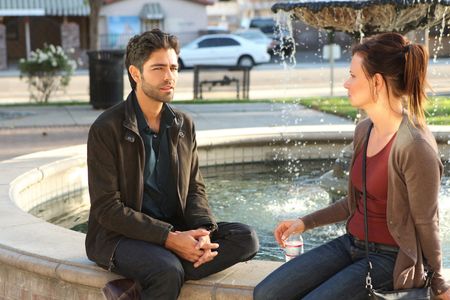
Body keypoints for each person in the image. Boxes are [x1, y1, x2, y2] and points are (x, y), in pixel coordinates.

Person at [253, 32, 450, 300]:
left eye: (354, 76)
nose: (346, 83)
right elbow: (354, 202)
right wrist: (303, 222)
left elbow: (427, 222)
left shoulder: (416, 147)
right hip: (351, 244)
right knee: (266, 293)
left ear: (377, 82)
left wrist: (439, 284)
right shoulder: (365, 130)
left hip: (389, 259)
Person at [85, 29, 259, 299]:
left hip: (173, 228)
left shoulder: (182, 124)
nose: (169, 77)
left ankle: (139, 286)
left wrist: (204, 233)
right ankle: (163, 267)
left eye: (174, 67)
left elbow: (194, 189)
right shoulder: (107, 128)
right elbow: (107, 208)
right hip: (119, 237)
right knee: (166, 270)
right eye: (158, 68)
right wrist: (169, 239)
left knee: (245, 237)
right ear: (135, 73)